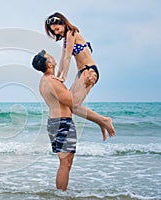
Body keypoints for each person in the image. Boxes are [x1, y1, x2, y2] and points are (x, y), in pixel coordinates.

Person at [45, 12, 115, 140]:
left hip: (89, 72)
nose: (56, 33)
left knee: (74, 106)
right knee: (68, 105)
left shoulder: (71, 33)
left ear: (63, 23)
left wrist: (63, 78)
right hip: (81, 73)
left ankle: (104, 120)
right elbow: (62, 58)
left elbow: (67, 57)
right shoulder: (66, 38)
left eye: (57, 29)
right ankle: (101, 122)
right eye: (53, 31)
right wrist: (57, 76)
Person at [32, 50, 77, 191]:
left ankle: (62, 193)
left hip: (56, 122)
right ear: (50, 64)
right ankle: (61, 195)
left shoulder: (45, 80)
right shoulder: (52, 82)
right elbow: (72, 101)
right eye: (49, 56)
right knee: (65, 163)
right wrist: (82, 82)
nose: (52, 55)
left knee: (67, 162)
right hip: (62, 122)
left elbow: (65, 98)